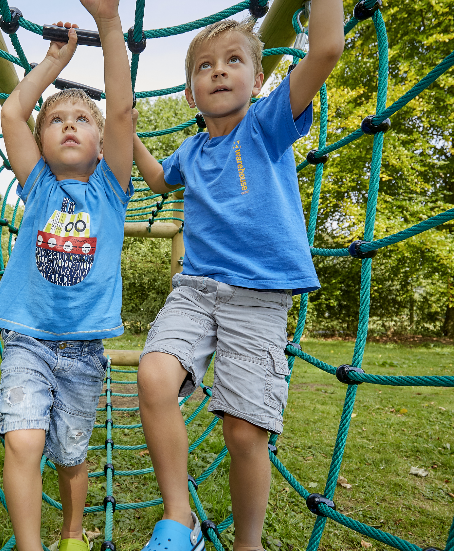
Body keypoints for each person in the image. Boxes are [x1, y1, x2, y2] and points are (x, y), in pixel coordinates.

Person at [130, 4, 344, 550]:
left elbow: (324, 50)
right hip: (197, 290)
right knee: (153, 375)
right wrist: (127, 131)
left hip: (260, 297)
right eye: (204, 66)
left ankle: (248, 544)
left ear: (257, 77)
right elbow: (157, 181)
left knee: (243, 431)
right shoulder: (191, 149)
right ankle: (180, 519)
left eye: (232, 61)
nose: (219, 71)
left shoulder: (267, 125)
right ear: (189, 93)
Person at [0, 0, 134, 549]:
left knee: (71, 456)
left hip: (83, 350)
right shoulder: (39, 184)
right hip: (27, 339)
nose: (69, 124)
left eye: (80, 120)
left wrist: (110, 24)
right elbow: (10, 113)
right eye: (55, 120)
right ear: (42, 142)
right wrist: (53, 61)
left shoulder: (110, 190)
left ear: (99, 144)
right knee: (22, 441)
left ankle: (73, 531)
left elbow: (120, 113)